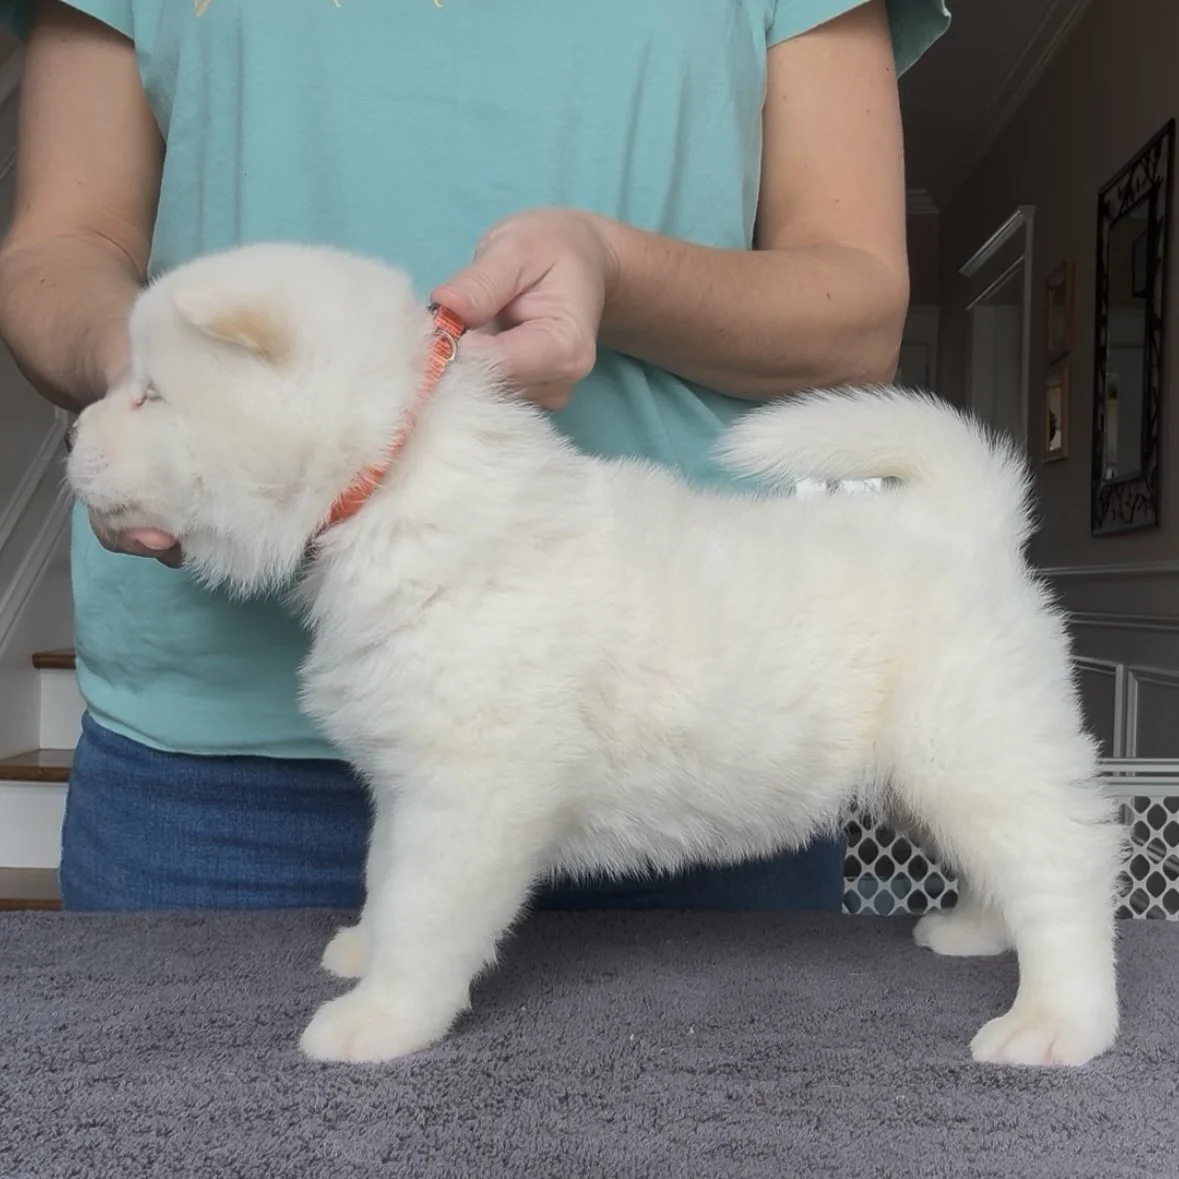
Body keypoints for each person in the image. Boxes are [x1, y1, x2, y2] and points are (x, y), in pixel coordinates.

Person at [0, 0, 949, 912]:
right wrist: (160, 385)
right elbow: (63, 243)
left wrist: (617, 272)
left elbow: (860, 309)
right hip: (218, 771)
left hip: (691, 714)